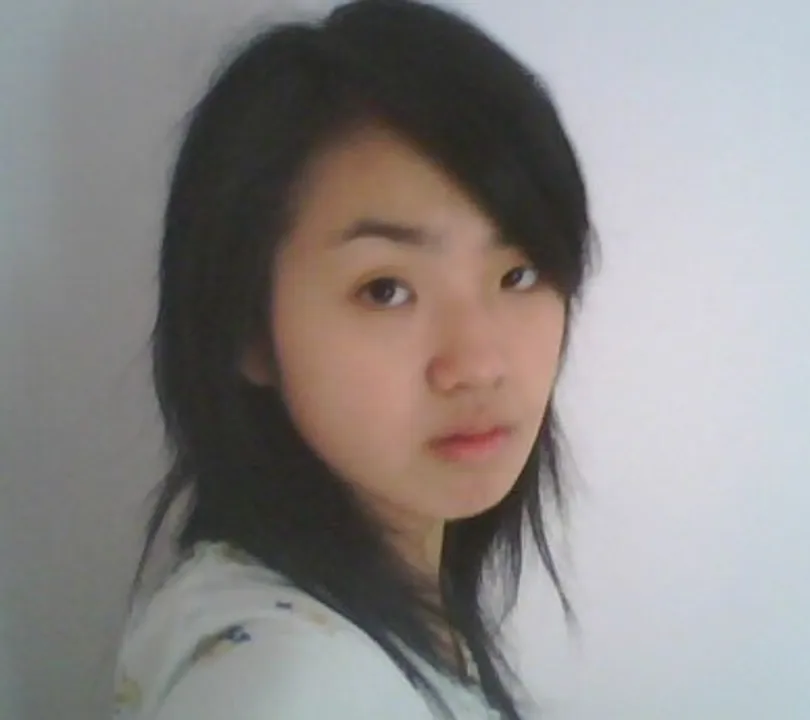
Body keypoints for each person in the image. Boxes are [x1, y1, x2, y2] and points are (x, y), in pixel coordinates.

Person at [112, 0, 597, 717]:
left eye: (518, 273)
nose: (478, 363)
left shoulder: (371, 606)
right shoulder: (291, 686)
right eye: (386, 289)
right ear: (248, 324)